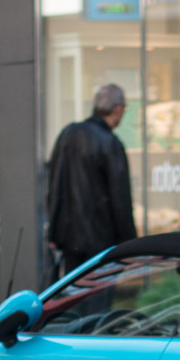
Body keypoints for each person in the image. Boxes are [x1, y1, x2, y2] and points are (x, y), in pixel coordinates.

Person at [46, 83, 137, 279]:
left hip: (69, 240)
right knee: (99, 303)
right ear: (118, 109)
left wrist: (53, 231)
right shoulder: (110, 143)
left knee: (72, 298)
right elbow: (120, 199)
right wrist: (130, 244)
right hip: (101, 243)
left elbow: (54, 184)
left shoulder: (68, 134)